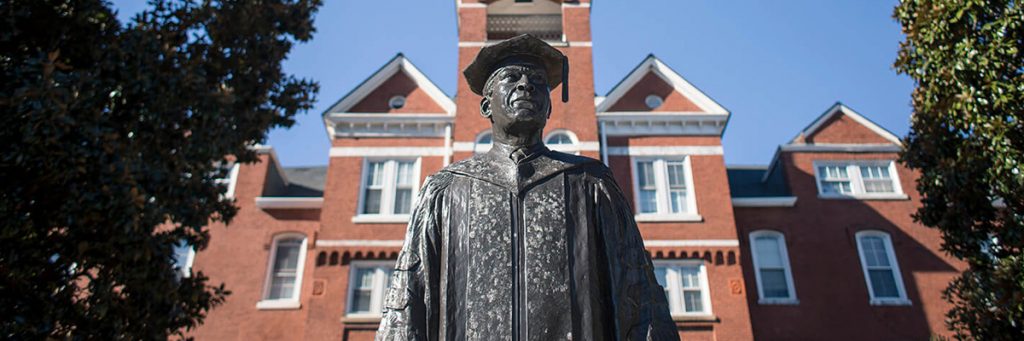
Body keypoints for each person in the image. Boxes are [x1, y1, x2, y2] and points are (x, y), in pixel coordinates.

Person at [375, 34, 678, 341]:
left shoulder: (590, 182)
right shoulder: (446, 190)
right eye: (510, 77)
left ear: (548, 108)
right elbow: (409, 298)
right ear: (485, 106)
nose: (525, 85)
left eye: (537, 80)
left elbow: (637, 292)